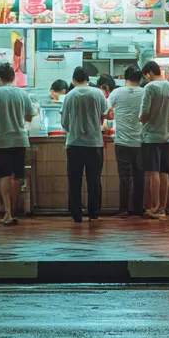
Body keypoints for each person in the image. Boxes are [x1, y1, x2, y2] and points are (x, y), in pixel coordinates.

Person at [0, 62, 34, 227]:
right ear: (14, 76)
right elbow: (29, 115)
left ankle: (8, 213)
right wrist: (24, 128)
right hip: (20, 139)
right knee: (17, 176)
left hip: (2, 140)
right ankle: (13, 209)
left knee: (4, 175)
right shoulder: (23, 93)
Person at [61, 66, 109, 223]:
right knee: (94, 180)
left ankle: (76, 214)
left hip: (74, 144)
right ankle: (94, 213)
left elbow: (64, 122)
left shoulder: (69, 95)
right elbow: (104, 116)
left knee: (74, 181)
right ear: (88, 79)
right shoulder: (98, 94)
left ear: (74, 80)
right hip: (94, 143)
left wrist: (72, 130)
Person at [139, 60, 169, 221]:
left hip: (151, 137)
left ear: (149, 73)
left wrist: (145, 118)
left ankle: (154, 207)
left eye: (146, 76)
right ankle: (163, 207)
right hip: (167, 136)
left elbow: (143, 115)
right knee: (164, 173)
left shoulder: (150, 88)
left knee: (153, 172)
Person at [107, 66, 146, 218]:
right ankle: (137, 208)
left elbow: (107, 112)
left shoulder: (116, 93)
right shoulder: (145, 92)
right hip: (140, 141)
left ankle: (123, 208)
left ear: (125, 78)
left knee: (124, 176)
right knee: (139, 176)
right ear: (140, 78)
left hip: (122, 141)